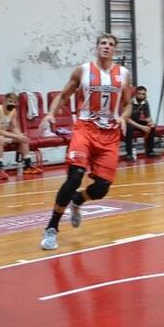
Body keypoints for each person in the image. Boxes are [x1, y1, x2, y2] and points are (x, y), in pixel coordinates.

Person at [40, 34, 132, 250]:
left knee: (102, 188)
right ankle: (51, 228)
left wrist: (122, 117)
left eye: (110, 45)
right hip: (85, 128)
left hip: (109, 134)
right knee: (75, 177)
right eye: (103, 44)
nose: (106, 47)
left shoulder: (124, 74)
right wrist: (51, 113)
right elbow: (63, 95)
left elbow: (127, 104)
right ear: (96, 48)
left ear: (115, 51)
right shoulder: (83, 70)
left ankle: (78, 201)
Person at [128, 86, 159, 158]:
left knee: (151, 127)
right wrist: (142, 127)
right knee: (129, 128)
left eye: (143, 94)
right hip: (130, 122)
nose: (141, 95)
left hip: (139, 122)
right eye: (139, 93)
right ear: (136, 94)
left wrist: (151, 123)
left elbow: (148, 117)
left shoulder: (145, 103)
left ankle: (150, 151)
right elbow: (128, 119)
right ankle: (129, 153)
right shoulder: (130, 102)